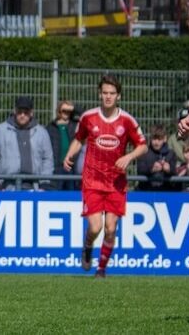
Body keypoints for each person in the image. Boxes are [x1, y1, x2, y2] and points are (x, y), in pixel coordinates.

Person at [63, 74, 147, 278]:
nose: (108, 97)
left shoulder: (127, 120)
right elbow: (78, 139)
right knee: (95, 227)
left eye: (112, 93)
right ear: (99, 94)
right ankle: (87, 245)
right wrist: (69, 154)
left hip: (116, 182)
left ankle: (101, 270)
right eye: (105, 93)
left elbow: (143, 146)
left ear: (118, 96)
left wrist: (129, 156)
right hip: (92, 180)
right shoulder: (89, 117)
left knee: (110, 229)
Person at [0, 96, 54, 191]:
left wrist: (45, 183)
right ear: (14, 111)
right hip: (7, 186)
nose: (22, 115)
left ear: (31, 113)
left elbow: (47, 158)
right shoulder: (1, 130)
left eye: (26, 112)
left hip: (35, 186)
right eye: (19, 112)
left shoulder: (41, 132)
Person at [46, 101, 79, 190]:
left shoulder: (75, 125)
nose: (67, 113)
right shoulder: (51, 127)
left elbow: (84, 113)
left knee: (72, 193)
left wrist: (74, 108)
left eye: (69, 111)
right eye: (64, 110)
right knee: (57, 192)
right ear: (59, 111)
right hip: (57, 166)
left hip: (71, 166)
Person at [135, 124, 176, 191]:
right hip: (147, 189)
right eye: (154, 139)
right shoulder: (144, 152)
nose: (156, 142)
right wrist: (152, 169)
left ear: (165, 139)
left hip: (166, 190)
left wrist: (168, 169)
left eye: (159, 139)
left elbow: (175, 172)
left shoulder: (171, 154)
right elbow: (140, 170)